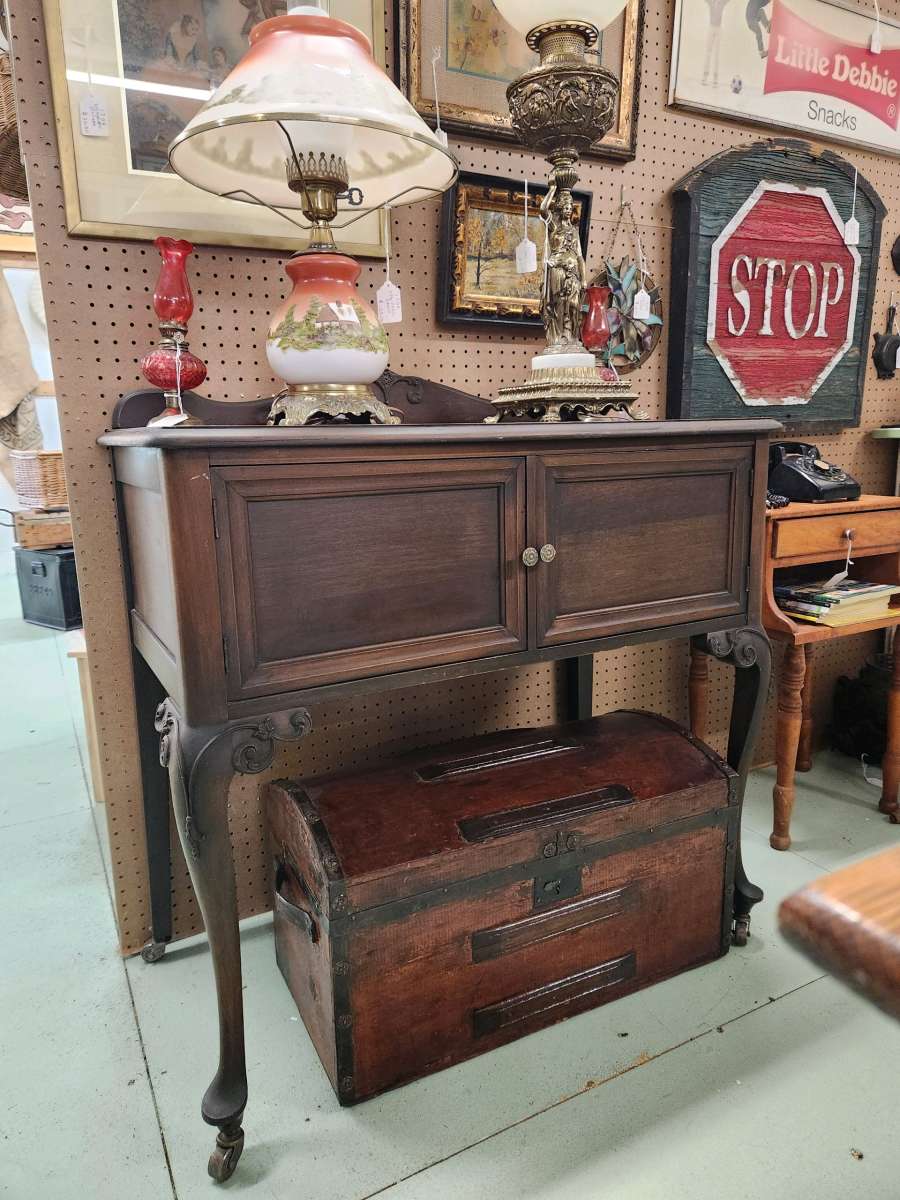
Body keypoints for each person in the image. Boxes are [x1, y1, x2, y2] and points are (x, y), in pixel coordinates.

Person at [540, 182, 586, 352]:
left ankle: (571, 337)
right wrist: (552, 189)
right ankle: (558, 338)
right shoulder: (553, 226)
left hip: (573, 273)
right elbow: (543, 210)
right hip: (557, 270)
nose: (568, 209)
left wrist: (584, 279)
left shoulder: (574, 231)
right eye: (565, 206)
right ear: (559, 208)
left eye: (570, 206)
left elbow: (580, 257)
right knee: (559, 304)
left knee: (573, 305)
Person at [703, 0, 730, 87]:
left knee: (717, 54)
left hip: (719, 29)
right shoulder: (710, 1)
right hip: (711, 27)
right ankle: (705, 76)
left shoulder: (722, 2)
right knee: (708, 52)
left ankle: (715, 79)